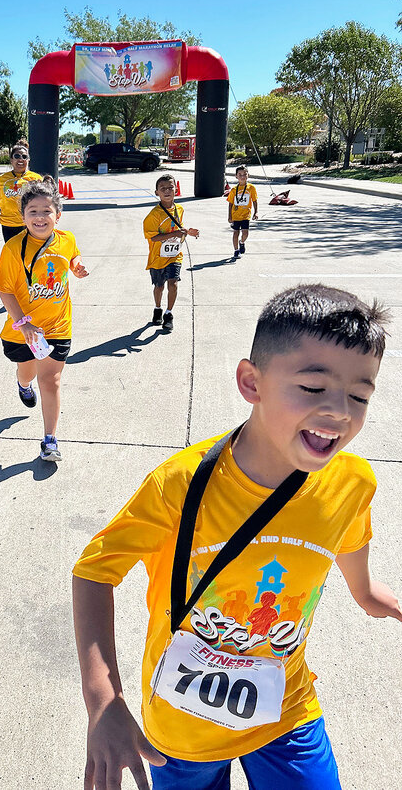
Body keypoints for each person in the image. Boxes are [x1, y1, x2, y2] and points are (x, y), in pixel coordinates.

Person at [72, 283, 401, 790]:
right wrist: (104, 702)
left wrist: (366, 592)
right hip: (182, 726)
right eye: (313, 388)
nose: (340, 411)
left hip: (286, 710)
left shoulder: (352, 482)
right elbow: (94, 572)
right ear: (252, 382)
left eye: (360, 395)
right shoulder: (178, 486)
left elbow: (347, 539)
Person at [0, 177, 88, 462]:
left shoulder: (67, 238)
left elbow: (71, 255)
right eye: (32, 211)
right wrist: (24, 324)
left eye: (46, 211)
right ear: (23, 216)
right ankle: (23, 386)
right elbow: (4, 289)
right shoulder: (12, 249)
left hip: (58, 325)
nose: (39, 217)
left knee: (52, 381)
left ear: (57, 215)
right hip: (24, 330)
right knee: (28, 372)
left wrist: (76, 266)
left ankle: (50, 440)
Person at [143, 174, 199, 332]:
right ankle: (158, 308)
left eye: (170, 188)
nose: (167, 191)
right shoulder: (153, 215)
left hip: (175, 256)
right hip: (158, 258)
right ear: (157, 193)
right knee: (159, 287)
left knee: (173, 284)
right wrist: (174, 235)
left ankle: (169, 314)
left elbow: (177, 228)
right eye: (163, 189)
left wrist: (188, 231)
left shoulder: (179, 209)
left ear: (176, 190)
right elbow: (153, 237)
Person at [0, 140, 42, 242]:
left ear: (28, 160)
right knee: (13, 254)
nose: (21, 159)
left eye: (24, 157)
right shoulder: (2, 179)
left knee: (30, 254)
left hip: (30, 224)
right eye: (17, 156)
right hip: (9, 225)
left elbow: (46, 200)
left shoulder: (36, 178)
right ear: (11, 160)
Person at [227, 165, 258, 259]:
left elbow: (254, 200)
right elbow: (230, 203)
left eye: (245, 174)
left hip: (246, 215)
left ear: (248, 175)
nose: (242, 176)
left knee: (245, 233)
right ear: (236, 176)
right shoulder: (233, 190)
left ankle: (242, 242)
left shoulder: (251, 188)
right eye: (240, 174)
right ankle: (236, 250)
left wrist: (256, 212)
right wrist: (229, 216)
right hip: (235, 215)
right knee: (235, 233)